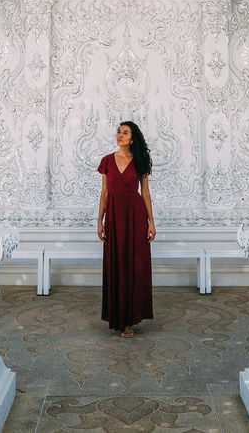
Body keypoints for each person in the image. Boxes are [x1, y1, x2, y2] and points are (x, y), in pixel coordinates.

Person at [97, 120, 156, 337]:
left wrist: (151, 222)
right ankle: (118, 318)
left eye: (125, 132)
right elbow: (104, 194)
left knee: (134, 266)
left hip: (135, 216)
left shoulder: (140, 161)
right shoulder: (107, 161)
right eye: (119, 132)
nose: (120, 135)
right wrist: (99, 221)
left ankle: (130, 321)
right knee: (117, 264)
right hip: (113, 217)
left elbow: (146, 193)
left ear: (133, 138)